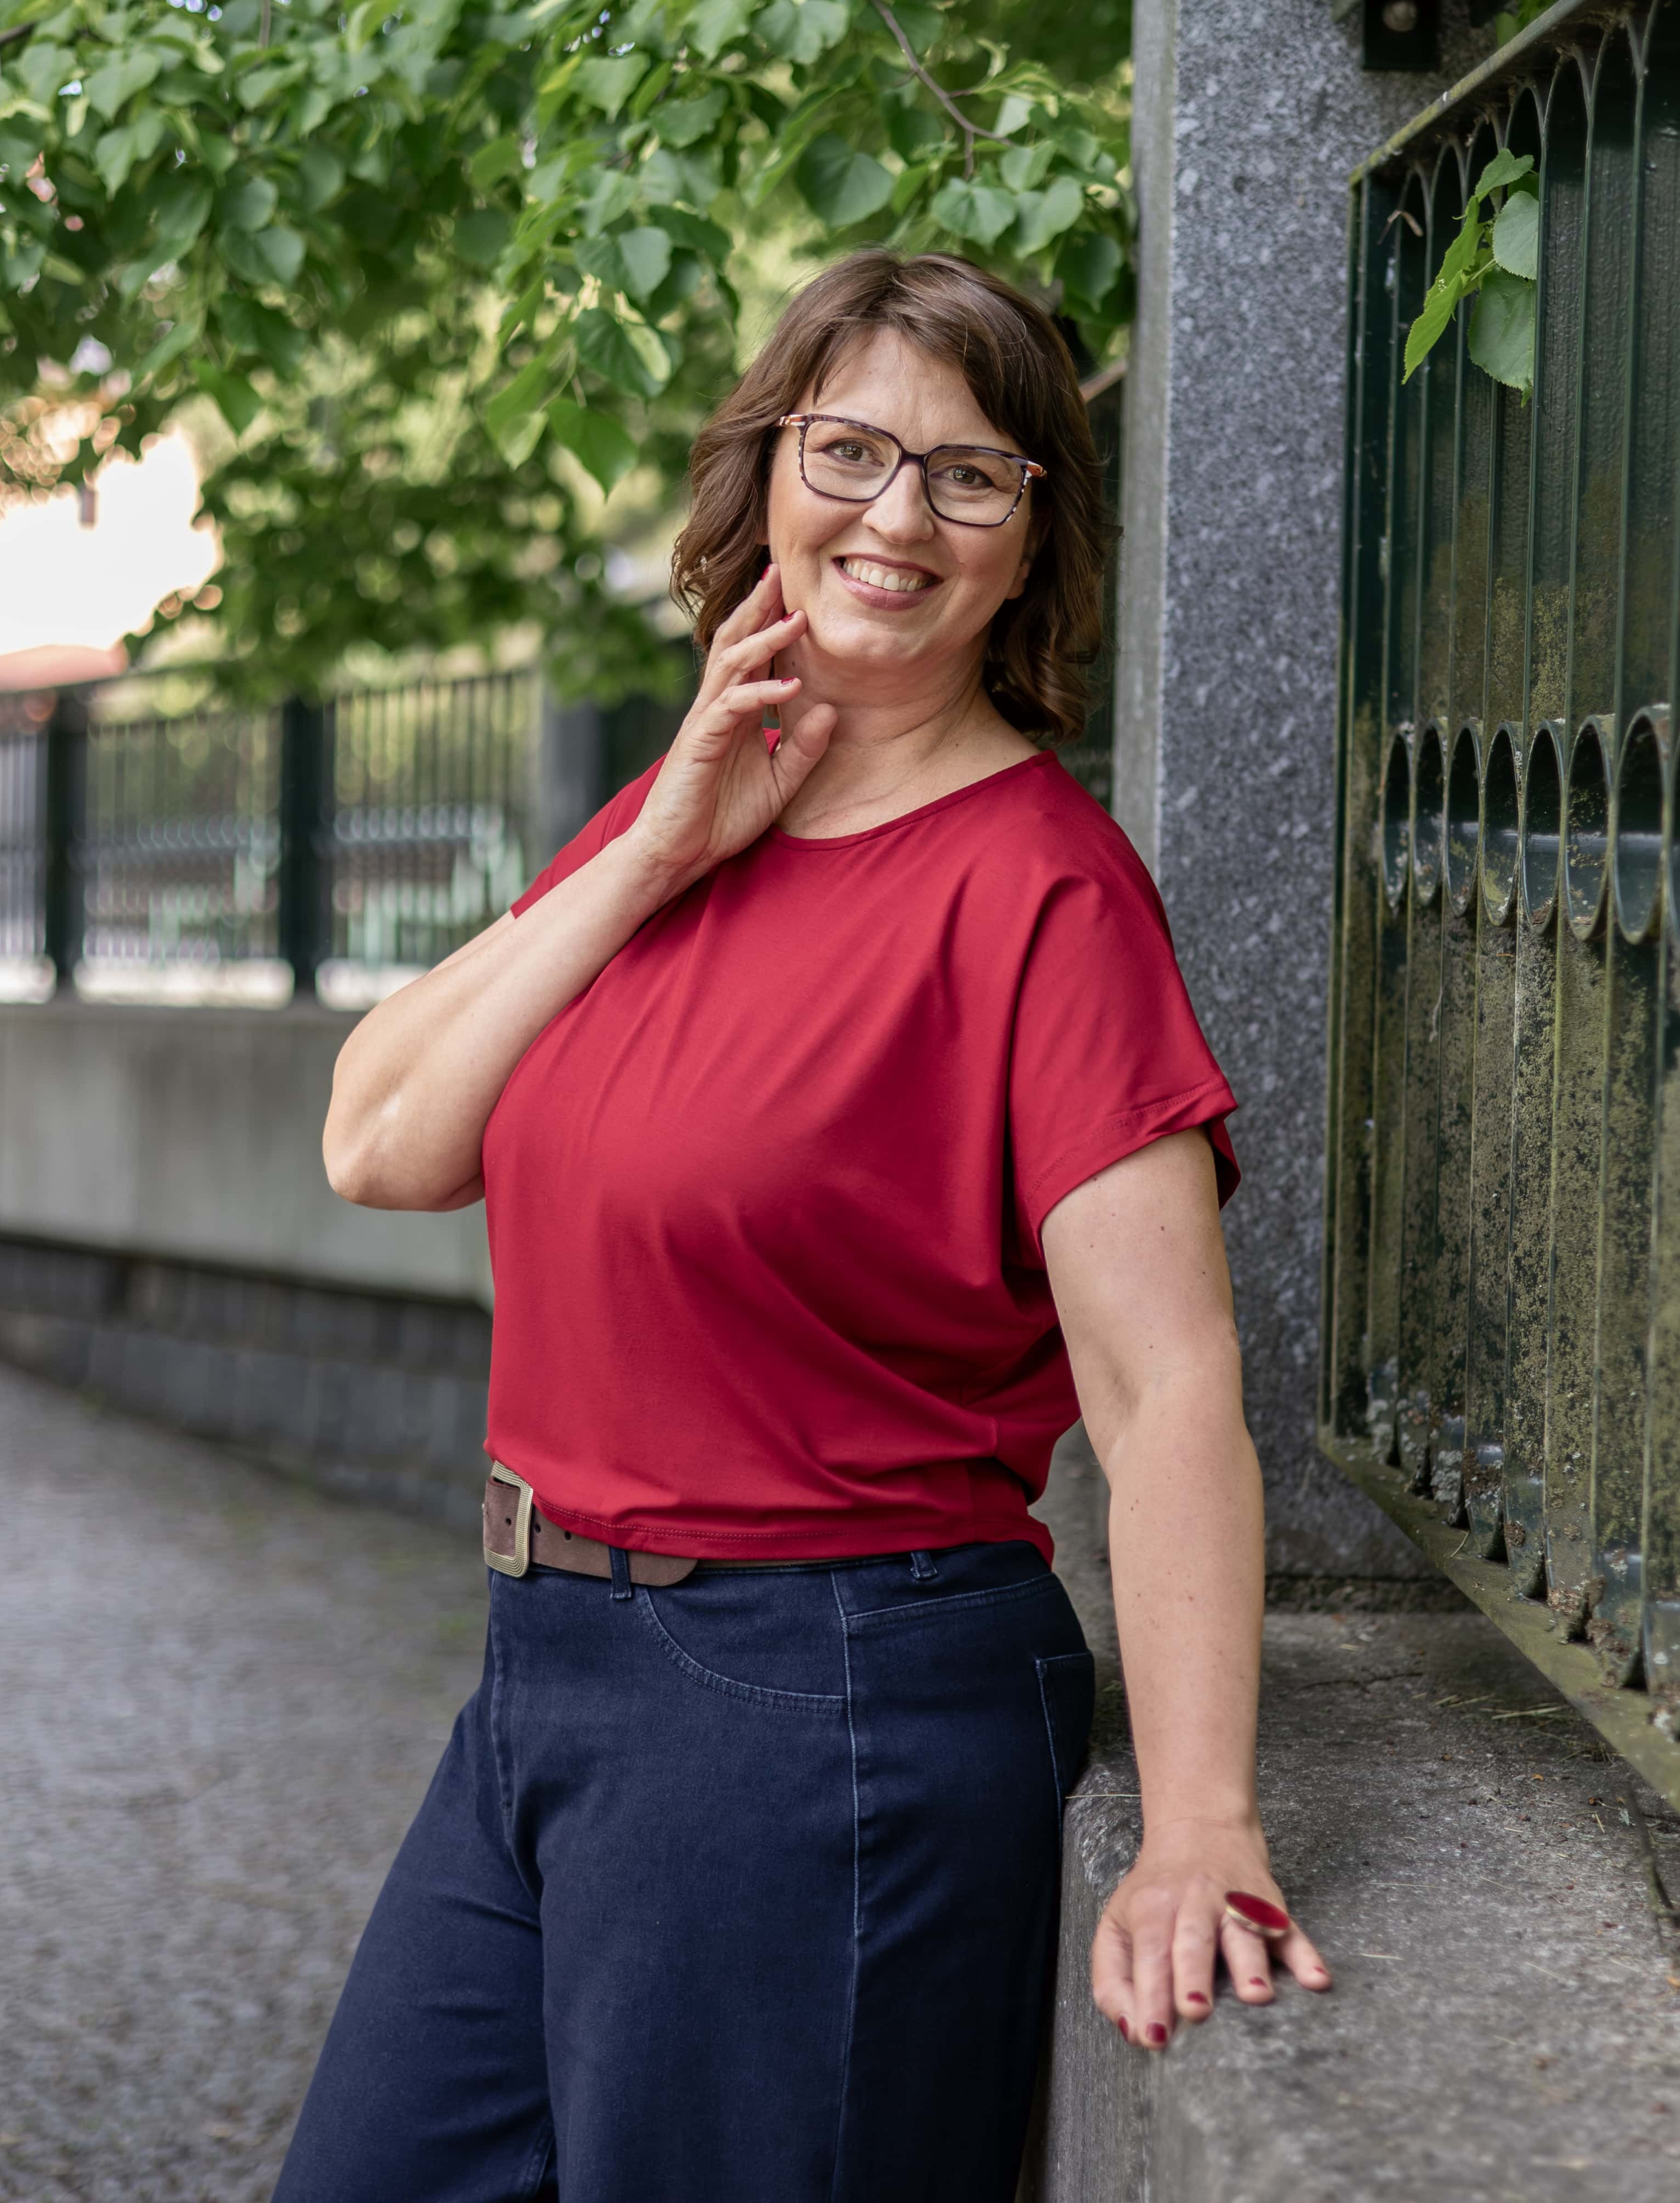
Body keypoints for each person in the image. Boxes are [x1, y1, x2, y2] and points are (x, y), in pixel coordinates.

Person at [274, 249, 1328, 2203]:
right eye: (849, 451)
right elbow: (380, 1143)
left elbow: (1167, 1383)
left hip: (822, 1700)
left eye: (971, 474)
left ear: (1032, 543)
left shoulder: (1043, 894)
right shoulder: (685, 815)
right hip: (547, 1664)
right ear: (766, 470)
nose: (897, 518)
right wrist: (655, 852)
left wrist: (1202, 1824)